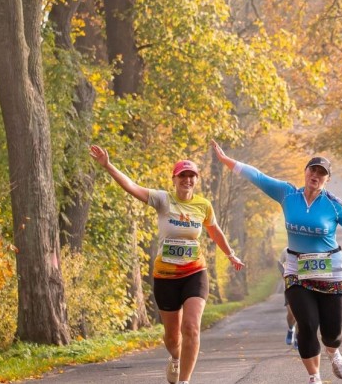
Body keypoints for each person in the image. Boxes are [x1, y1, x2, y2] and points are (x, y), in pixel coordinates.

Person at [212, 141, 342, 384]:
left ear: (327, 179)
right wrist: (228, 161)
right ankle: (314, 377)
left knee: (332, 333)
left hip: (332, 272)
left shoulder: (335, 205)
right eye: (313, 170)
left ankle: (334, 351)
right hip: (297, 271)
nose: (316, 175)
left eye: (321, 173)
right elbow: (257, 177)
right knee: (307, 325)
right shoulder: (287, 194)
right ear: (305, 172)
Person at [89, 145, 244, 384]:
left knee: (191, 327)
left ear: (196, 180)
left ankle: (184, 381)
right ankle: (175, 358)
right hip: (165, 276)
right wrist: (108, 166)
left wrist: (230, 254)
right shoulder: (163, 199)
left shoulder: (203, 205)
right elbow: (132, 187)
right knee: (173, 338)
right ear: (174, 179)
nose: (188, 180)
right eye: (183, 175)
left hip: (195, 272)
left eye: (192, 176)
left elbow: (215, 232)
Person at [279, 248, 298, 348]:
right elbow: (279, 263)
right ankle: (291, 328)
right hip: (290, 286)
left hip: (306, 286)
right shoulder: (287, 250)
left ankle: (298, 338)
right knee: (292, 314)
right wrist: (284, 275)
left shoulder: (312, 249)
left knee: (302, 314)